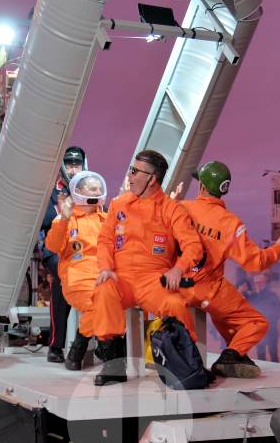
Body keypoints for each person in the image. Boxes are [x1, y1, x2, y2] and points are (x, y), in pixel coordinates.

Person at [89, 149, 205, 386]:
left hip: (153, 281)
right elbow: (105, 241)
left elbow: (194, 246)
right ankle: (114, 364)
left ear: (152, 179)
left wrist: (178, 269)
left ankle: (187, 368)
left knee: (175, 305)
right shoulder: (118, 204)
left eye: (135, 171)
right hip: (120, 278)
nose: (129, 176)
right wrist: (105, 267)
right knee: (103, 291)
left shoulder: (171, 209)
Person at [179, 161, 280, 378]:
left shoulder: (181, 208)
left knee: (228, 324)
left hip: (178, 287)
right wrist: (278, 249)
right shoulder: (231, 223)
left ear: (202, 187)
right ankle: (231, 355)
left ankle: (232, 354)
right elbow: (255, 263)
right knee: (256, 323)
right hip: (211, 291)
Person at [44, 170, 109, 370]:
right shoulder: (65, 220)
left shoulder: (106, 219)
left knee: (115, 304)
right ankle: (84, 348)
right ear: (79, 191)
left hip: (105, 276)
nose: (97, 191)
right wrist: (63, 218)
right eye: (92, 188)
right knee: (96, 306)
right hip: (77, 278)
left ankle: (87, 344)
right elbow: (53, 246)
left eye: (99, 188)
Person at [40, 145, 87, 363]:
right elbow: (44, 221)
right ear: (61, 166)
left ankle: (95, 341)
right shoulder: (49, 190)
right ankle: (56, 345)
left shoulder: (90, 188)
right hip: (55, 248)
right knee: (62, 276)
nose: (73, 168)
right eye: (69, 163)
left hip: (83, 248)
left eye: (77, 164)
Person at [248, 272, 280, 363]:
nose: (258, 284)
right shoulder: (253, 296)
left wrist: (269, 321)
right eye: (256, 283)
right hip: (258, 330)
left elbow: (279, 311)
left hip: (271, 330)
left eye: (260, 282)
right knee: (260, 353)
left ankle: (276, 374)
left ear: (265, 283)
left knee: (273, 354)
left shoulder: (272, 295)